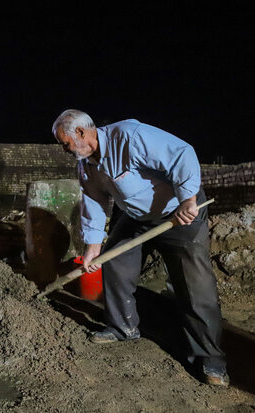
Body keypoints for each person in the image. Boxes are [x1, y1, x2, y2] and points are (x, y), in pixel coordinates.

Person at [51, 109, 228, 387]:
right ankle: (123, 327)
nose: (64, 149)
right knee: (116, 263)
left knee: (194, 286)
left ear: (82, 133)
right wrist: (93, 248)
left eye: (65, 143)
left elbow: (182, 154)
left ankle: (210, 360)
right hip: (135, 216)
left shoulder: (131, 137)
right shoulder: (86, 165)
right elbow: (94, 203)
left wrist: (188, 200)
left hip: (179, 213)